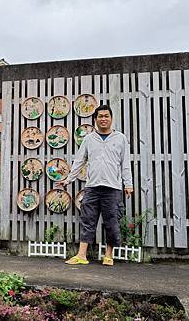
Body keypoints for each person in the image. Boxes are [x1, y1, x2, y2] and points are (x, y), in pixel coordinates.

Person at [58, 104, 133, 266]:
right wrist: (68, 179)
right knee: (87, 220)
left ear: (111, 119)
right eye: (100, 116)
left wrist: (129, 184)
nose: (103, 119)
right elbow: (79, 161)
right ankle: (81, 255)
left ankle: (108, 255)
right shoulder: (89, 139)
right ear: (95, 119)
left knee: (111, 221)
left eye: (106, 116)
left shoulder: (120, 138)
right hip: (92, 187)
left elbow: (125, 163)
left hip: (113, 188)